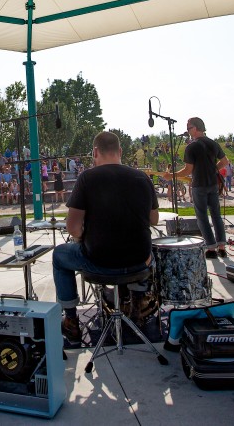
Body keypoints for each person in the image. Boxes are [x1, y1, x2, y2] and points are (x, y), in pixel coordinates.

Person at [52, 131, 159, 344]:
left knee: (59, 256)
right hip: (139, 262)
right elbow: (154, 220)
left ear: (95, 153)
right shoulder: (142, 178)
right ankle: (137, 304)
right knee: (151, 251)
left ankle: (71, 321)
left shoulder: (87, 178)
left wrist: (84, 236)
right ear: (120, 151)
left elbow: (72, 227)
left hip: (100, 262)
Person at [168, 117, 228, 258]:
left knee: (202, 217)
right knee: (216, 215)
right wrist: (213, 170)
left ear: (195, 128)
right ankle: (222, 246)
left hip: (199, 185)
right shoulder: (213, 143)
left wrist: (171, 175)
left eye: (189, 128)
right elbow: (225, 162)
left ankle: (211, 248)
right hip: (213, 184)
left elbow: (188, 170)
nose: (188, 131)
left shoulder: (192, 146)